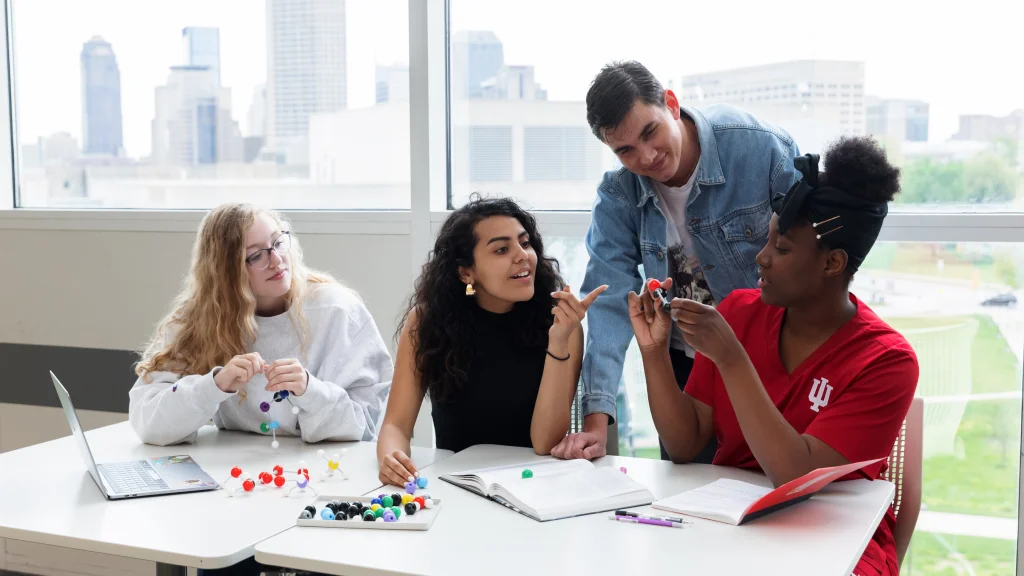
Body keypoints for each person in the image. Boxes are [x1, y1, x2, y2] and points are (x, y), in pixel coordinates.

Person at [631, 136, 917, 576]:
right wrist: (653, 351)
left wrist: (732, 359)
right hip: (731, 526)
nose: (761, 258)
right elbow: (685, 444)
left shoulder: (885, 360)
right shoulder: (739, 314)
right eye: (768, 241)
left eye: (782, 249)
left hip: (837, 541)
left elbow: (796, 475)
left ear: (832, 264)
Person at [552, 60, 802, 462]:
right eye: (625, 150)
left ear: (671, 103)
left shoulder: (756, 146)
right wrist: (595, 424)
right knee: (689, 504)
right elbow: (608, 302)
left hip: (775, 363)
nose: (647, 156)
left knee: (780, 496)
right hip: (686, 374)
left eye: (650, 132)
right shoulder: (619, 195)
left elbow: (816, 248)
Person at [376, 196, 606, 486]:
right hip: (458, 484)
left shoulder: (562, 324)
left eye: (525, 243)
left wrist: (559, 341)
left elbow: (544, 443)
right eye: (501, 249)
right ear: (466, 272)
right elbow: (396, 424)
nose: (522, 255)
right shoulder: (427, 321)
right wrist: (391, 459)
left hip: (536, 486)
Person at [130, 203, 393, 448]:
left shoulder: (337, 311)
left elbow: (367, 426)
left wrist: (308, 389)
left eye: (278, 242)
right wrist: (215, 385)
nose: (277, 259)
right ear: (225, 272)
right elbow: (147, 420)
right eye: (256, 256)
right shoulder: (202, 319)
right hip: (238, 473)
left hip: (322, 472)